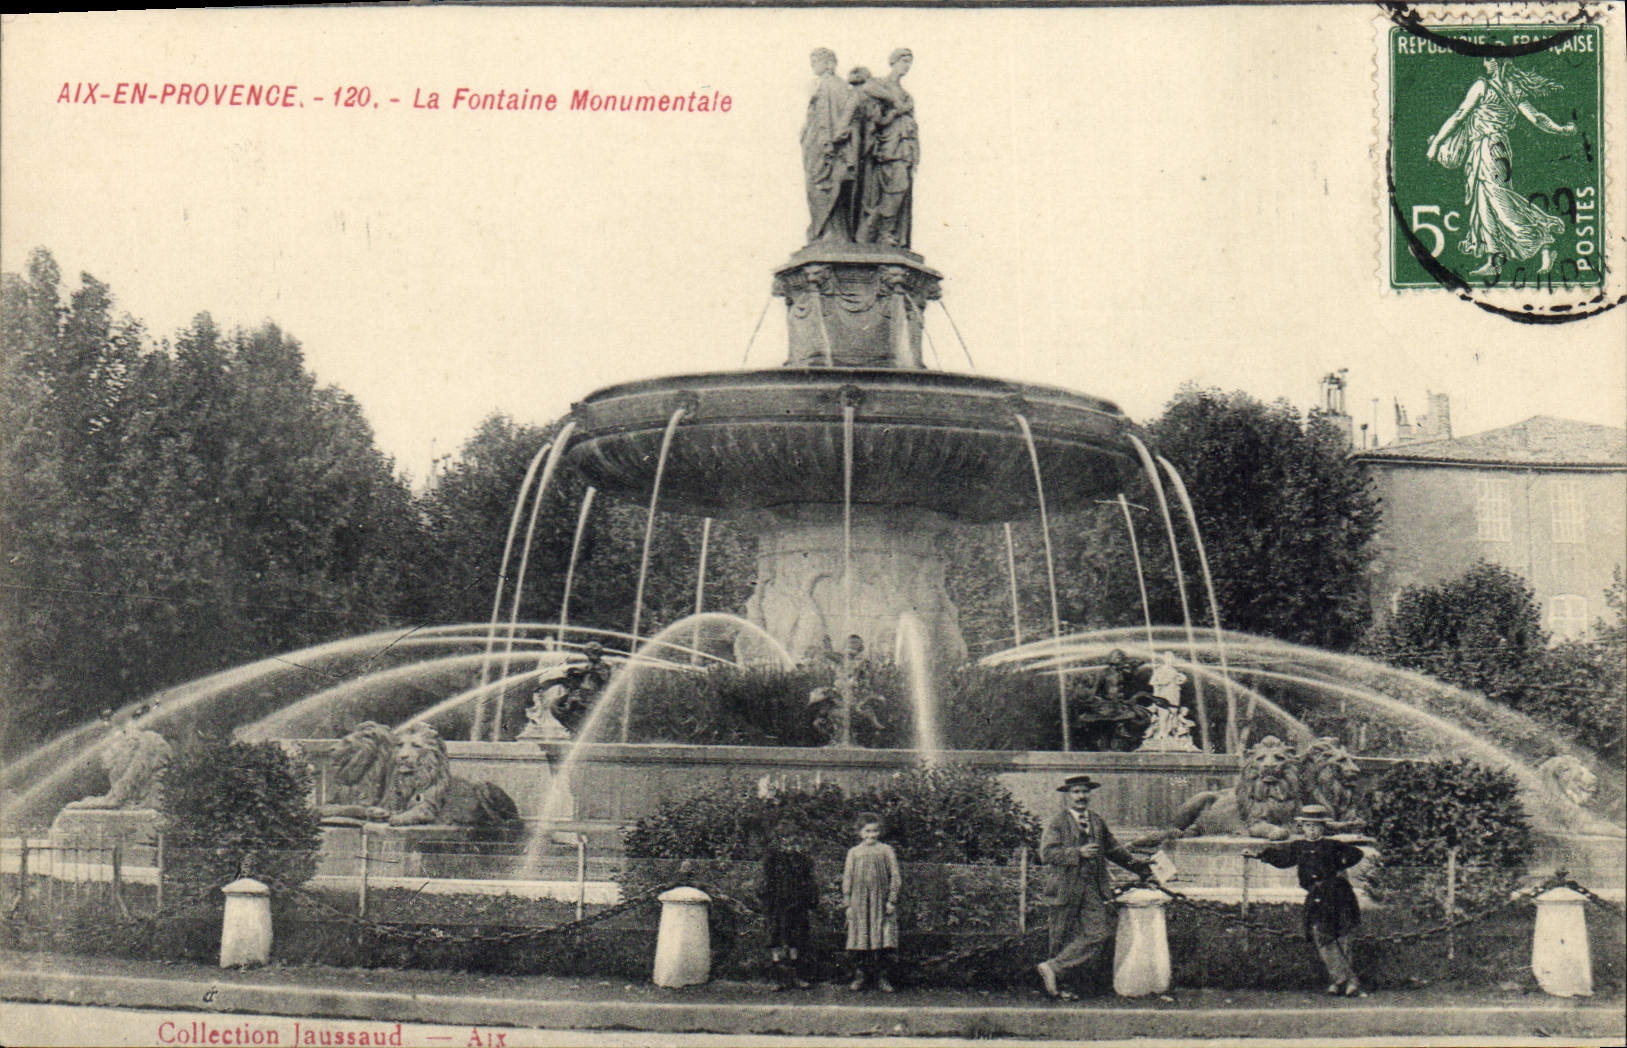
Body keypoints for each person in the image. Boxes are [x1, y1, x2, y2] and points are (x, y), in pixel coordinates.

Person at [1426, 57, 1577, 277]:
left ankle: (1544, 241)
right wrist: (1560, 129)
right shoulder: (1513, 89)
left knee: (1499, 200)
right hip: (1497, 149)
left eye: (1488, 59)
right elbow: (1538, 118)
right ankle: (1495, 259)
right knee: (1486, 202)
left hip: (1488, 147)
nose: (1485, 63)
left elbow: (1459, 116)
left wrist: (1437, 143)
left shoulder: (1482, 86)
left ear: (1496, 61)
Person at [1035, 774, 1153, 999]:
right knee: (1061, 936)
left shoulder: (1097, 821)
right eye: (1076, 792)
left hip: (1092, 888)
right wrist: (1076, 853)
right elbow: (1047, 854)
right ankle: (1059, 988)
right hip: (1065, 887)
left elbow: (1114, 850)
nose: (1081, 796)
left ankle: (1053, 968)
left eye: (1085, 792)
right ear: (1067, 796)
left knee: (1098, 933)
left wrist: (1142, 868)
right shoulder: (1057, 822)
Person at [1246, 805, 1367, 997]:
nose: (1312, 830)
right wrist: (1259, 855)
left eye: (1316, 827)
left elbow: (1356, 854)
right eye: (1308, 826)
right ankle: (1344, 979)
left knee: (1342, 935)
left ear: (1322, 828)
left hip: (1338, 893)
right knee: (1321, 934)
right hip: (1316, 895)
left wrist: (1339, 865)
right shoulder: (1299, 847)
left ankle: (1341, 982)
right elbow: (1282, 858)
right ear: (1302, 827)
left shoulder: (1332, 845)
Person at [854, 49, 919, 248]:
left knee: (900, 190)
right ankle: (880, 231)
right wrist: (893, 102)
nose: (906, 66)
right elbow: (867, 88)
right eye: (904, 61)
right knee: (896, 189)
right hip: (888, 149)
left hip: (904, 148)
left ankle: (883, 231)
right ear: (893, 62)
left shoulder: (907, 95)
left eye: (909, 62)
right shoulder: (882, 84)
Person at [801, 48, 860, 244]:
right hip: (817, 145)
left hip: (826, 147)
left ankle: (828, 232)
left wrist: (829, 141)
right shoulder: (825, 86)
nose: (814, 67)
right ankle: (827, 231)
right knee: (821, 187)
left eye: (817, 62)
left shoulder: (831, 85)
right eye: (812, 63)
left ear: (829, 64)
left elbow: (835, 117)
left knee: (825, 186)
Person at [842, 811, 902, 992]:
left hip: (881, 902)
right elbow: (847, 877)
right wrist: (848, 903)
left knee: (882, 938)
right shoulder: (854, 852)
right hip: (859, 902)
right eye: (867, 831)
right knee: (860, 938)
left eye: (874, 831)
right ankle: (860, 976)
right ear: (860, 832)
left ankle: (882, 978)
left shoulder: (886, 850)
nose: (871, 835)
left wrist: (891, 900)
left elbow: (895, 876)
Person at [759, 820, 818, 989]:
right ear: (778, 840)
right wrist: (767, 903)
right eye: (785, 839)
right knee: (775, 939)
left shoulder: (803, 861)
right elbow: (764, 883)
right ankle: (776, 977)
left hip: (797, 904)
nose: (789, 844)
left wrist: (810, 900)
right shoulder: (771, 860)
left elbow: (810, 883)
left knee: (797, 940)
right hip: (777, 904)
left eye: (793, 839)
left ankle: (797, 975)